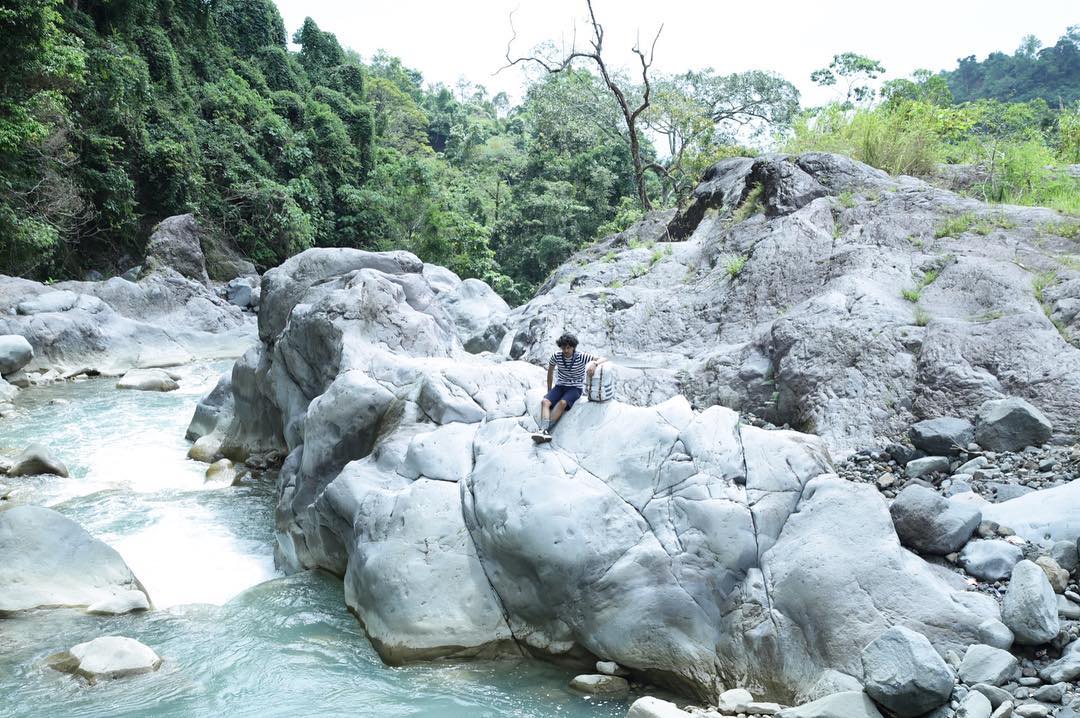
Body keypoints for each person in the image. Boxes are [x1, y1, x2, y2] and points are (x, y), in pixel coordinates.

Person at [535, 333, 606, 440]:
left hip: (575, 388)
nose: (566, 350)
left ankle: (546, 430)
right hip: (560, 386)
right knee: (545, 402)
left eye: (569, 348)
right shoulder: (556, 356)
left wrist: (594, 364)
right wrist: (549, 391)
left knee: (563, 403)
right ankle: (543, 430)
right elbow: (550, 372)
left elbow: (603, 358)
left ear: (573, 347)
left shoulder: (581, 356)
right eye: (564, 348)